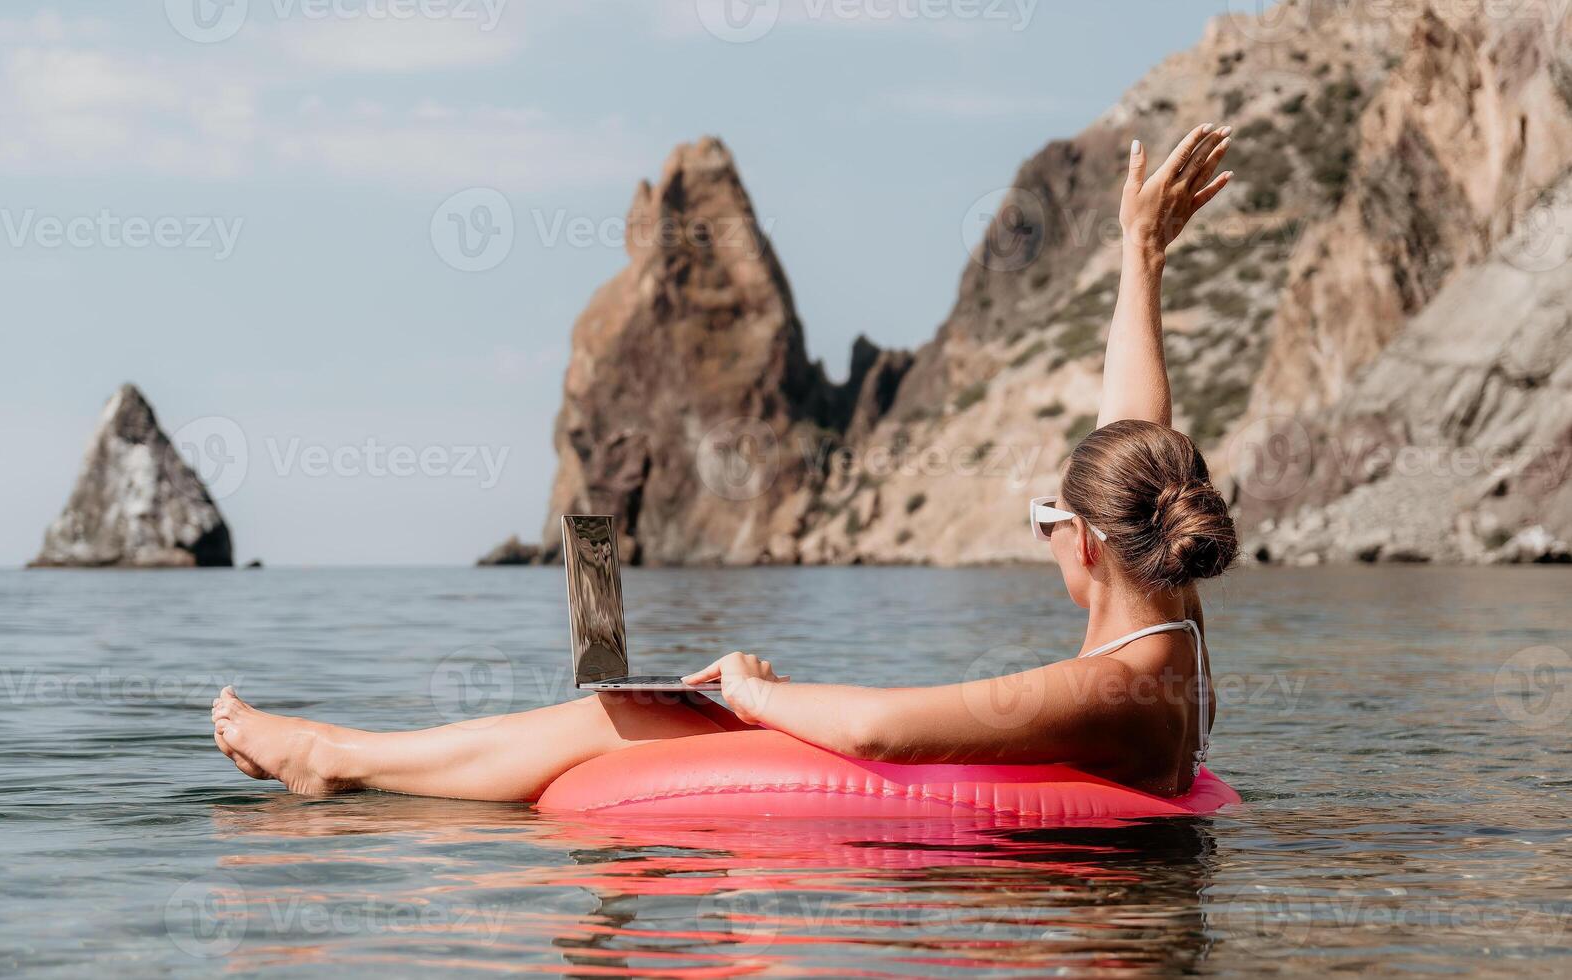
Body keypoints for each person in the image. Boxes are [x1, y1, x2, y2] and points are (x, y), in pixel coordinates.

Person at [212, 124, 1240, 800]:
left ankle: (335, 759)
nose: (1041, 537)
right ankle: (337, 755)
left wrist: (752, 693)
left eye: (1043, 519)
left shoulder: (1118, 685)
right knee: (623, 708)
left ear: (1090, 547)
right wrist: (1138, 258)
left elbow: (883, 733)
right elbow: (1133, 429)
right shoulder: (1166, 621)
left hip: (1017, 924)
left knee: (617, 721)